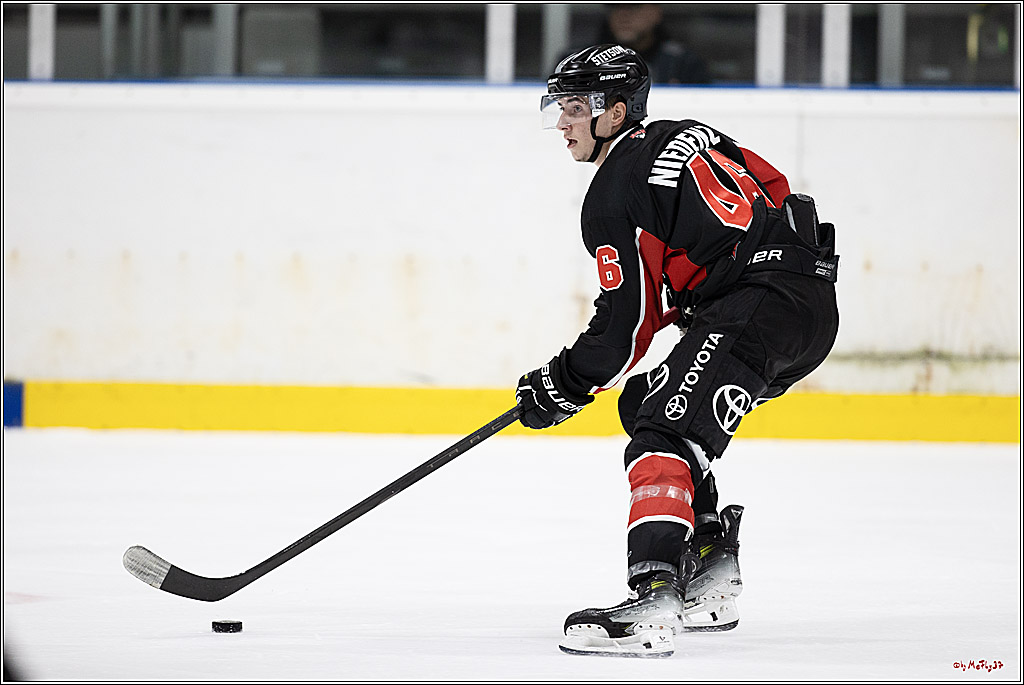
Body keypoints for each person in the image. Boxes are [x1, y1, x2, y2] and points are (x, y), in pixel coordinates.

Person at [515, 44, 839, 658]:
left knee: (662, 432)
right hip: (810, 305)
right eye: (558, 108)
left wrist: (564, 382)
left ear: (614, 112)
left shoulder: (611, 193)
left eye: (575, 108)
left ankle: (654, 600)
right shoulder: (691, 133)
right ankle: (710, 572)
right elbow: (773, 192)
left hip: (754, 306)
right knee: (648, 404)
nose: (561, 122)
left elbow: (626, 327)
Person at [601, 3, 710, 85]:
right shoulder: (595, 61)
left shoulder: (684, 62)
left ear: (656, 12)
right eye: (615, 7)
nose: (623, 15)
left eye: (634, 6)